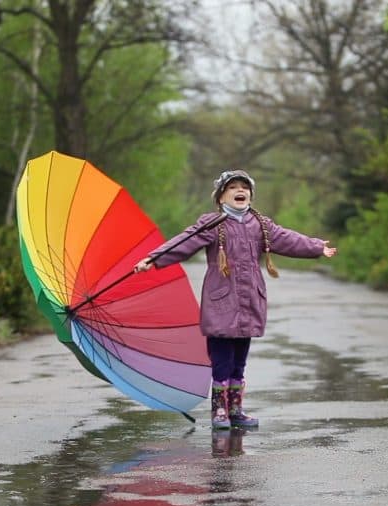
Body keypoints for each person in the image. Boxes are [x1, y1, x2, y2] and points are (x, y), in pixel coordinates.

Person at [134, 170, 337, 429]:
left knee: (240, 360)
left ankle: (236, 410)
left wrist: (317, 246)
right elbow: (182, 242)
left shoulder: (260, 225)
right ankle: (220, 411)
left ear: (251, 195)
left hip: (249, 300)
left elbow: (287, 239)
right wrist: (152, 259)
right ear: (220, 198)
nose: (240, 191)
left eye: (244, 187)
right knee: (222, 360)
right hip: (221, 300)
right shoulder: (211, 224)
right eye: (232, 187)